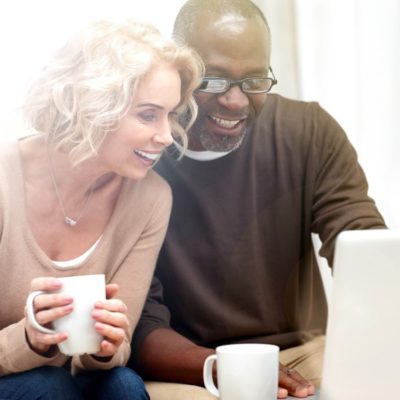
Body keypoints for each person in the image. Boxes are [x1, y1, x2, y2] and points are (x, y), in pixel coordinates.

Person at [128, 0, 387, 399]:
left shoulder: (308, 132)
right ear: (178, 70)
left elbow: (364, 249)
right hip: (192, 368)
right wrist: (226, 369)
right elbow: (139, 326)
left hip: (302, 354)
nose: (235, 101)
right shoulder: (142, 153)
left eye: (253, 80)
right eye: (213, 80)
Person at [0, 18, 203, 400]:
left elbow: (118, 348)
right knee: (46, 386)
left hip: (70, 382)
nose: (166, 136)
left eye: (170, 114)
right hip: (23, 380)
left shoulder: (151, 198)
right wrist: (28, 338)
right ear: (93, 106)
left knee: (123, 385)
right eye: (148, 115)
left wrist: (106, 346)